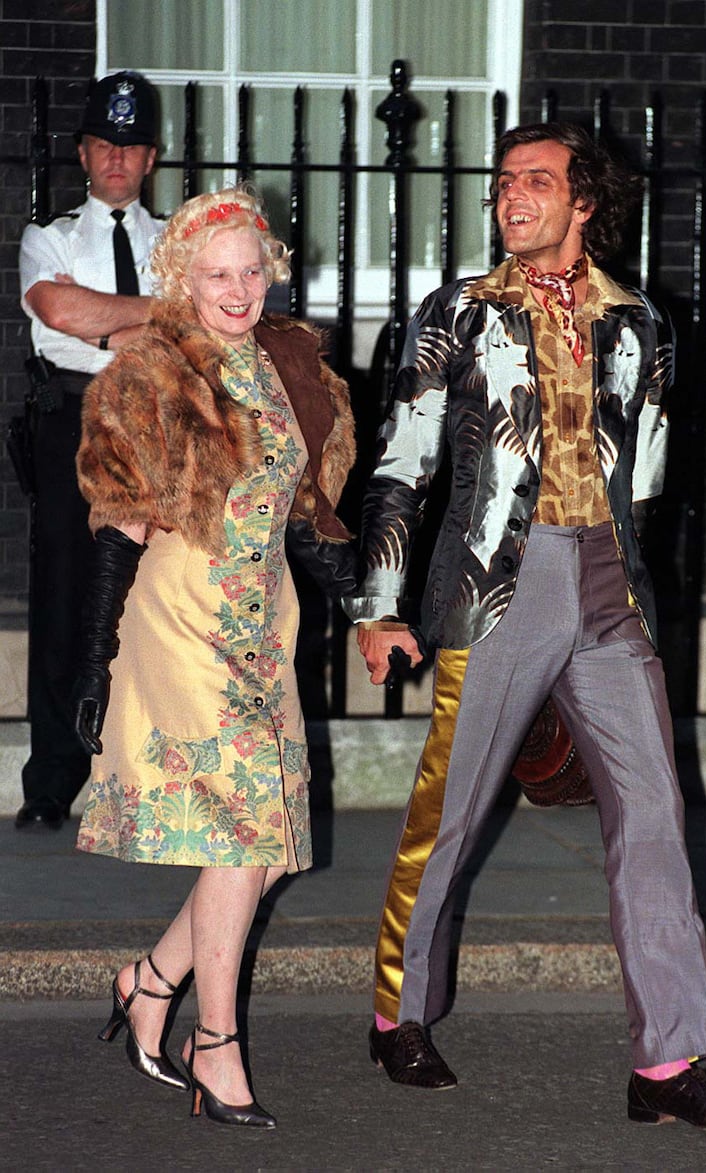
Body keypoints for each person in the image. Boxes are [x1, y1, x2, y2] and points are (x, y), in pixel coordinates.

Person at [345, 122, 706, 1131]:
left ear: (585, 202)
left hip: (607, 585)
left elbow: (649, 475)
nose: (510, 196)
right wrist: (381, 604)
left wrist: (623, 578)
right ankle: (396, 1016)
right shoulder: (457, 312)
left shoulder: (639, 324)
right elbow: (402, 465)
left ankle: (666, 1064)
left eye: (534, 181)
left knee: (655, 819)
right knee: (447, 813)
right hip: (498, 583)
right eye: (502, 183)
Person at [72, 187, 356, 1127]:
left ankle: (151, 979)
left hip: (264, 616)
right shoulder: (150, 369)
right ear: (181, 280)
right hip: (186, 613)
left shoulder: (285, 357)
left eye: (249, 270)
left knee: (270, 845)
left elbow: (311, 496)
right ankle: (217, 1044)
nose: (236, 291)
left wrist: (360, 590)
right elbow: (113, 512)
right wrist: (96, 651)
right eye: (215, 275)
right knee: (245, 834)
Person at [16, 71, 162, 831]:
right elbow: (57, 308)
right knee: (64, 594)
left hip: (152, 421)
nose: (117, 157)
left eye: (131, 146)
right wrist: (145, 319)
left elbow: (198, 329)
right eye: (105, 142)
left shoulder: (174, 241)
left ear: (151, 158)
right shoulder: (49, 237)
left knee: (147, 598)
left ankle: (136, 778)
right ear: (82, 151)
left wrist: (100, 328)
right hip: (71, 426)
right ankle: (50, 781)